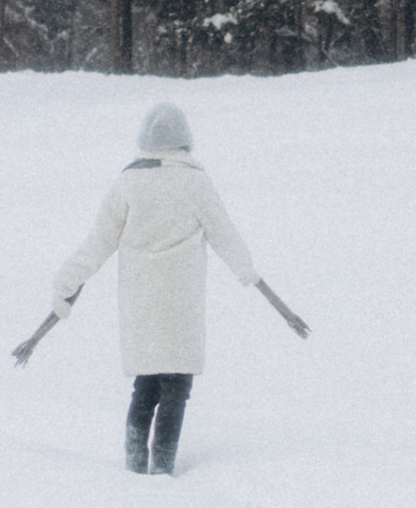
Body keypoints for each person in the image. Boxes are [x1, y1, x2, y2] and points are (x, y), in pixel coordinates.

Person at [40, 97, 263, 473]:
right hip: (181, 304)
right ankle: (162, 467)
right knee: (176, 387)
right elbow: (225, 235)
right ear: (185, 141)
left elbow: (97, 243)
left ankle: (134, 464)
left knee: (146, 385)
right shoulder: (196, 182)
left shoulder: (127, 183)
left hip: (140, 302)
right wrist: (249, 273)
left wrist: (66, 284)